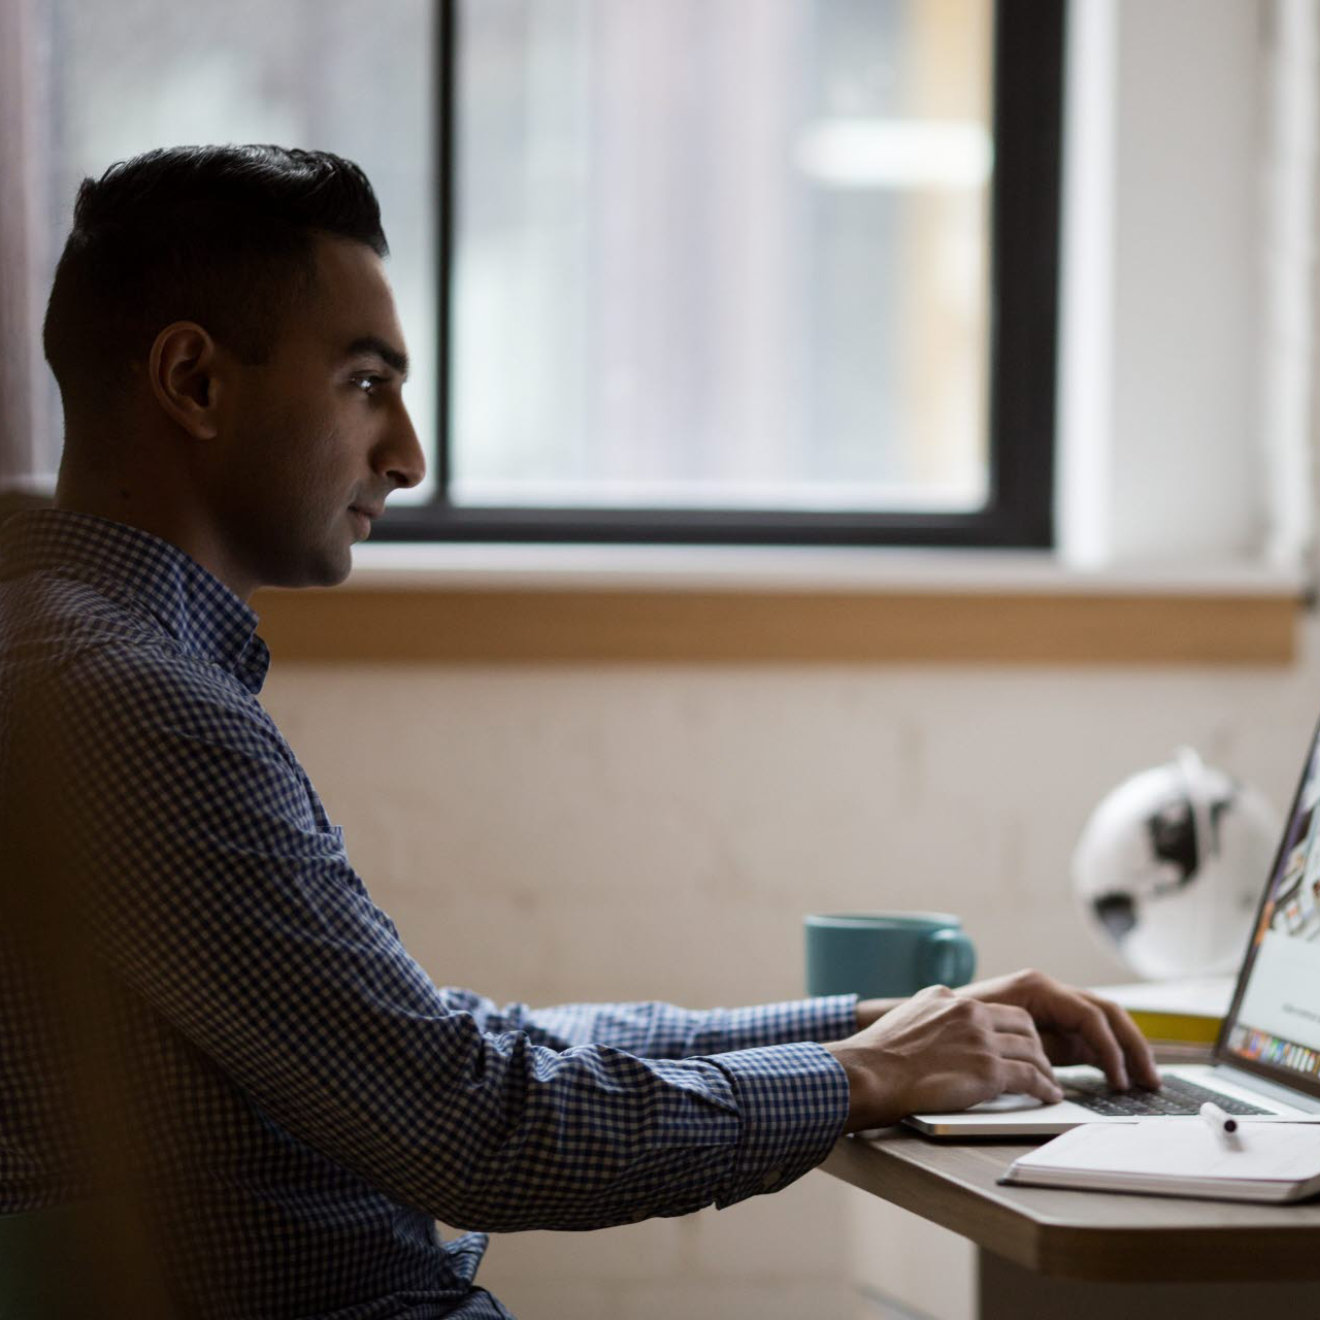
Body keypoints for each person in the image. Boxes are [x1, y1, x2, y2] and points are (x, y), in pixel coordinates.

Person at [0, 145, 1158, 1319]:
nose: (405, 456)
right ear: (194, 381)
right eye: (365, 383)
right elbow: (476, 1129)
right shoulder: (129, 707)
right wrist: (863, 1079)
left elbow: (450, 1050)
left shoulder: (90, 669)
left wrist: (863, 1028)